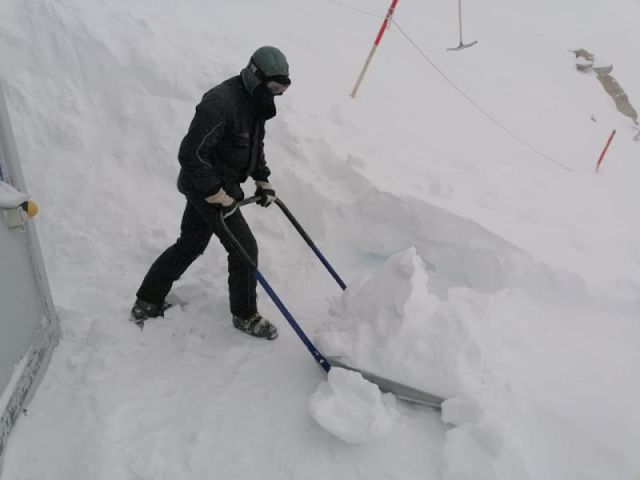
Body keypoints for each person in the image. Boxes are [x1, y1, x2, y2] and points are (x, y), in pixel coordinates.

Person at [130, 46, 292, 340]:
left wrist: (262, 179)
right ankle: (245, 315)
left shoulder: (256, 100)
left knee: (191, 243)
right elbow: (191, 154)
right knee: (245, 250)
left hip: (221, 184)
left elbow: (254, 145)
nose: (277, 94)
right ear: (256, 75)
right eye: (274, 87)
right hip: (207, 185)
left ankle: (147, 301)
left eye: (282, 89)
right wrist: (215, 192)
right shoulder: (221, 104)